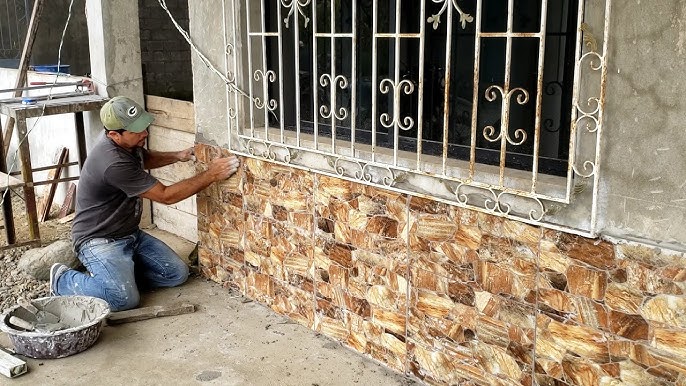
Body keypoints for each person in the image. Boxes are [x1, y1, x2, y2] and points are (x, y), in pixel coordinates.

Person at [49, 96, 239, 311]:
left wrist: (178, 155)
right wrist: (212, 174)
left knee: (176, 274)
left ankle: (118, 279)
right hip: (99, 240)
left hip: (129, 234)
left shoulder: (127, 146)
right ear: (114, 134)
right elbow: (166, 196)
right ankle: (62, 279)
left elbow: (144, 158)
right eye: (136, 131)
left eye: (144, 127)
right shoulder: (113, 163)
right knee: (123, 300)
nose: (145, 134)